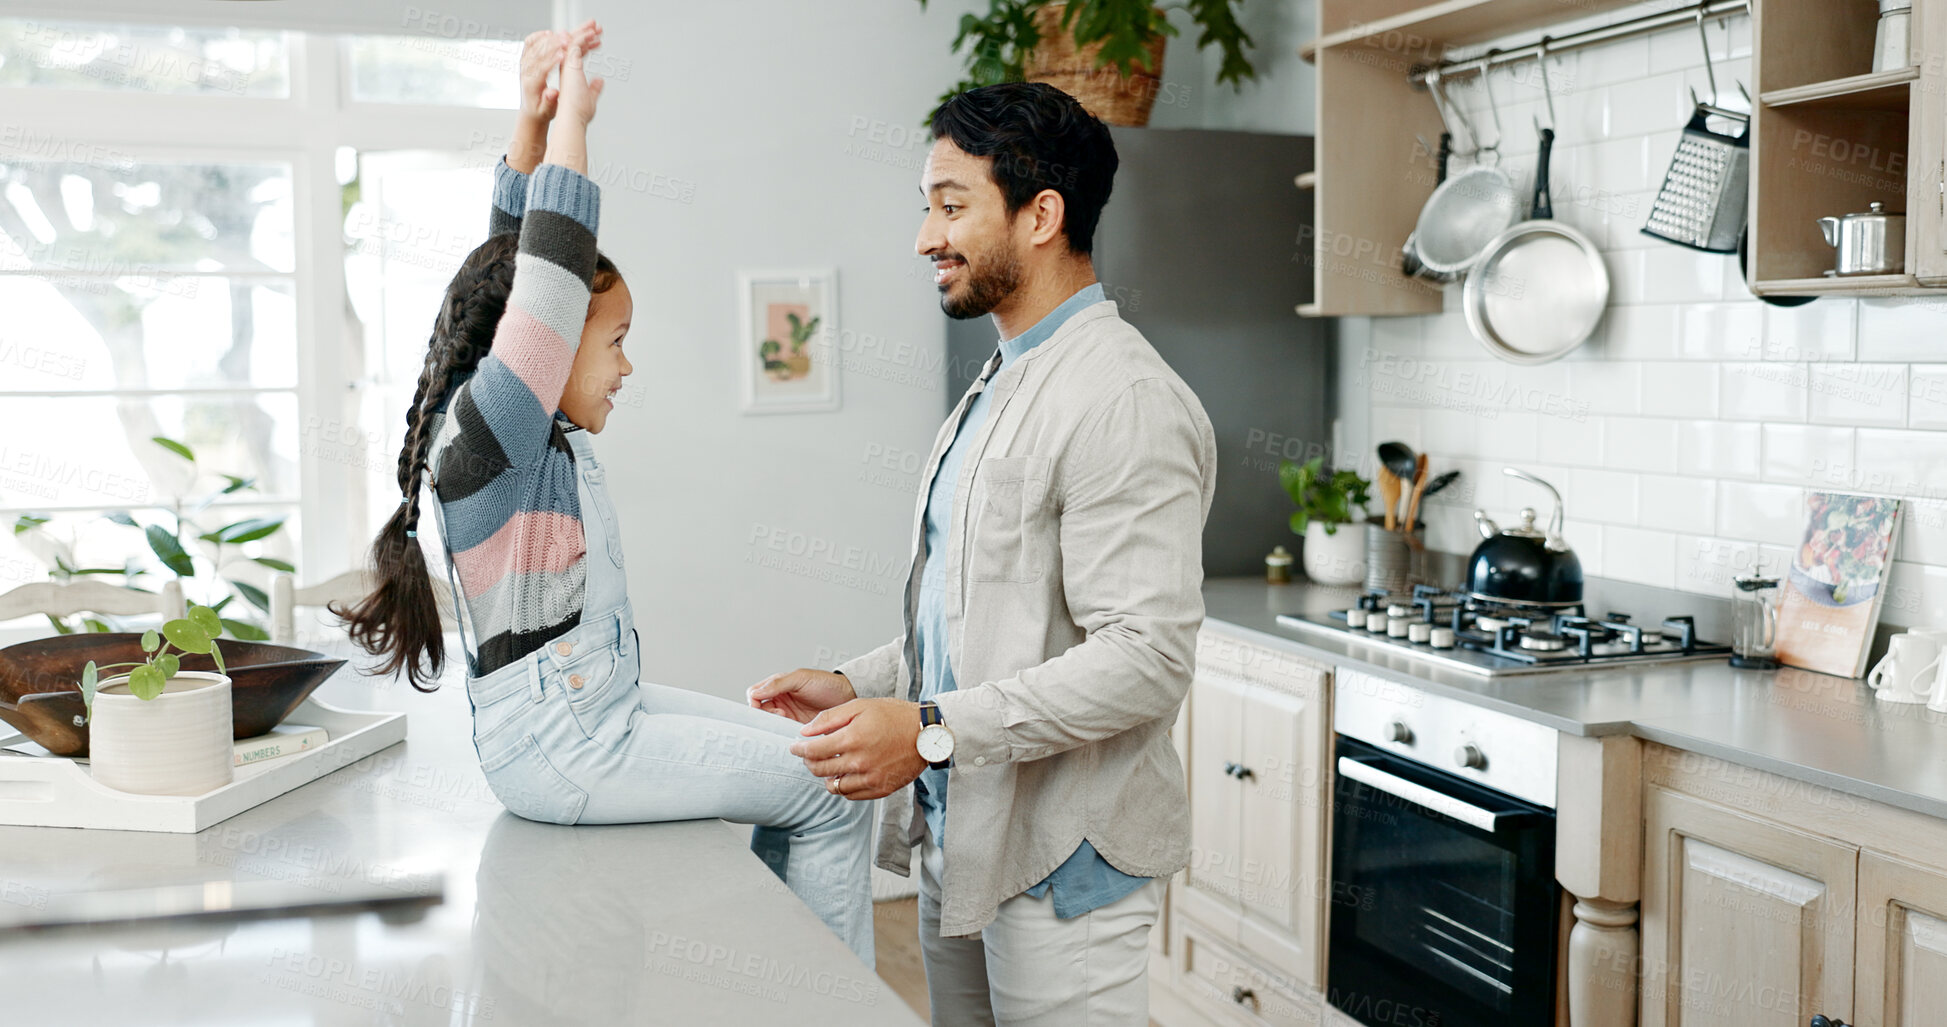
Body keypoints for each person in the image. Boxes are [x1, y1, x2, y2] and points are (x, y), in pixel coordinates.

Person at [334, 23, 873, 965]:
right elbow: (538, 285)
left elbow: (512, 269)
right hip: (567, 744)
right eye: (613, 339)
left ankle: (790, 977)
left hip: (590, 714)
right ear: (549, 347)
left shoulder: (507, 427)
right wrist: (577, 124)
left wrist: (530, 122)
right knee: (831, 791)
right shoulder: (493, 432)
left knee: (816, 759)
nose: (626, 365)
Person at [750, 82, 1217, 1025]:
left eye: (952, 205)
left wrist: (924, 728)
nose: (926, 237)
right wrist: (862, 684)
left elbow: (1145, 658)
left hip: (1062, 863)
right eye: (929, 206)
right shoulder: (1000, 385)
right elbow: (981, 615)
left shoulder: (1121, 397)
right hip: (965, 839)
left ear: (1042, 214)